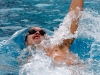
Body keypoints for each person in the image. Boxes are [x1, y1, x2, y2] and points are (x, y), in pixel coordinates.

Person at [24, 0, 84, 66]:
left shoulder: (59, 44)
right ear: (26, 43)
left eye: (42, 32)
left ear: (46, 37)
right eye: (32, 31)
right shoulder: (28, 62)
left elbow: (73, 15)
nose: (37, 33)